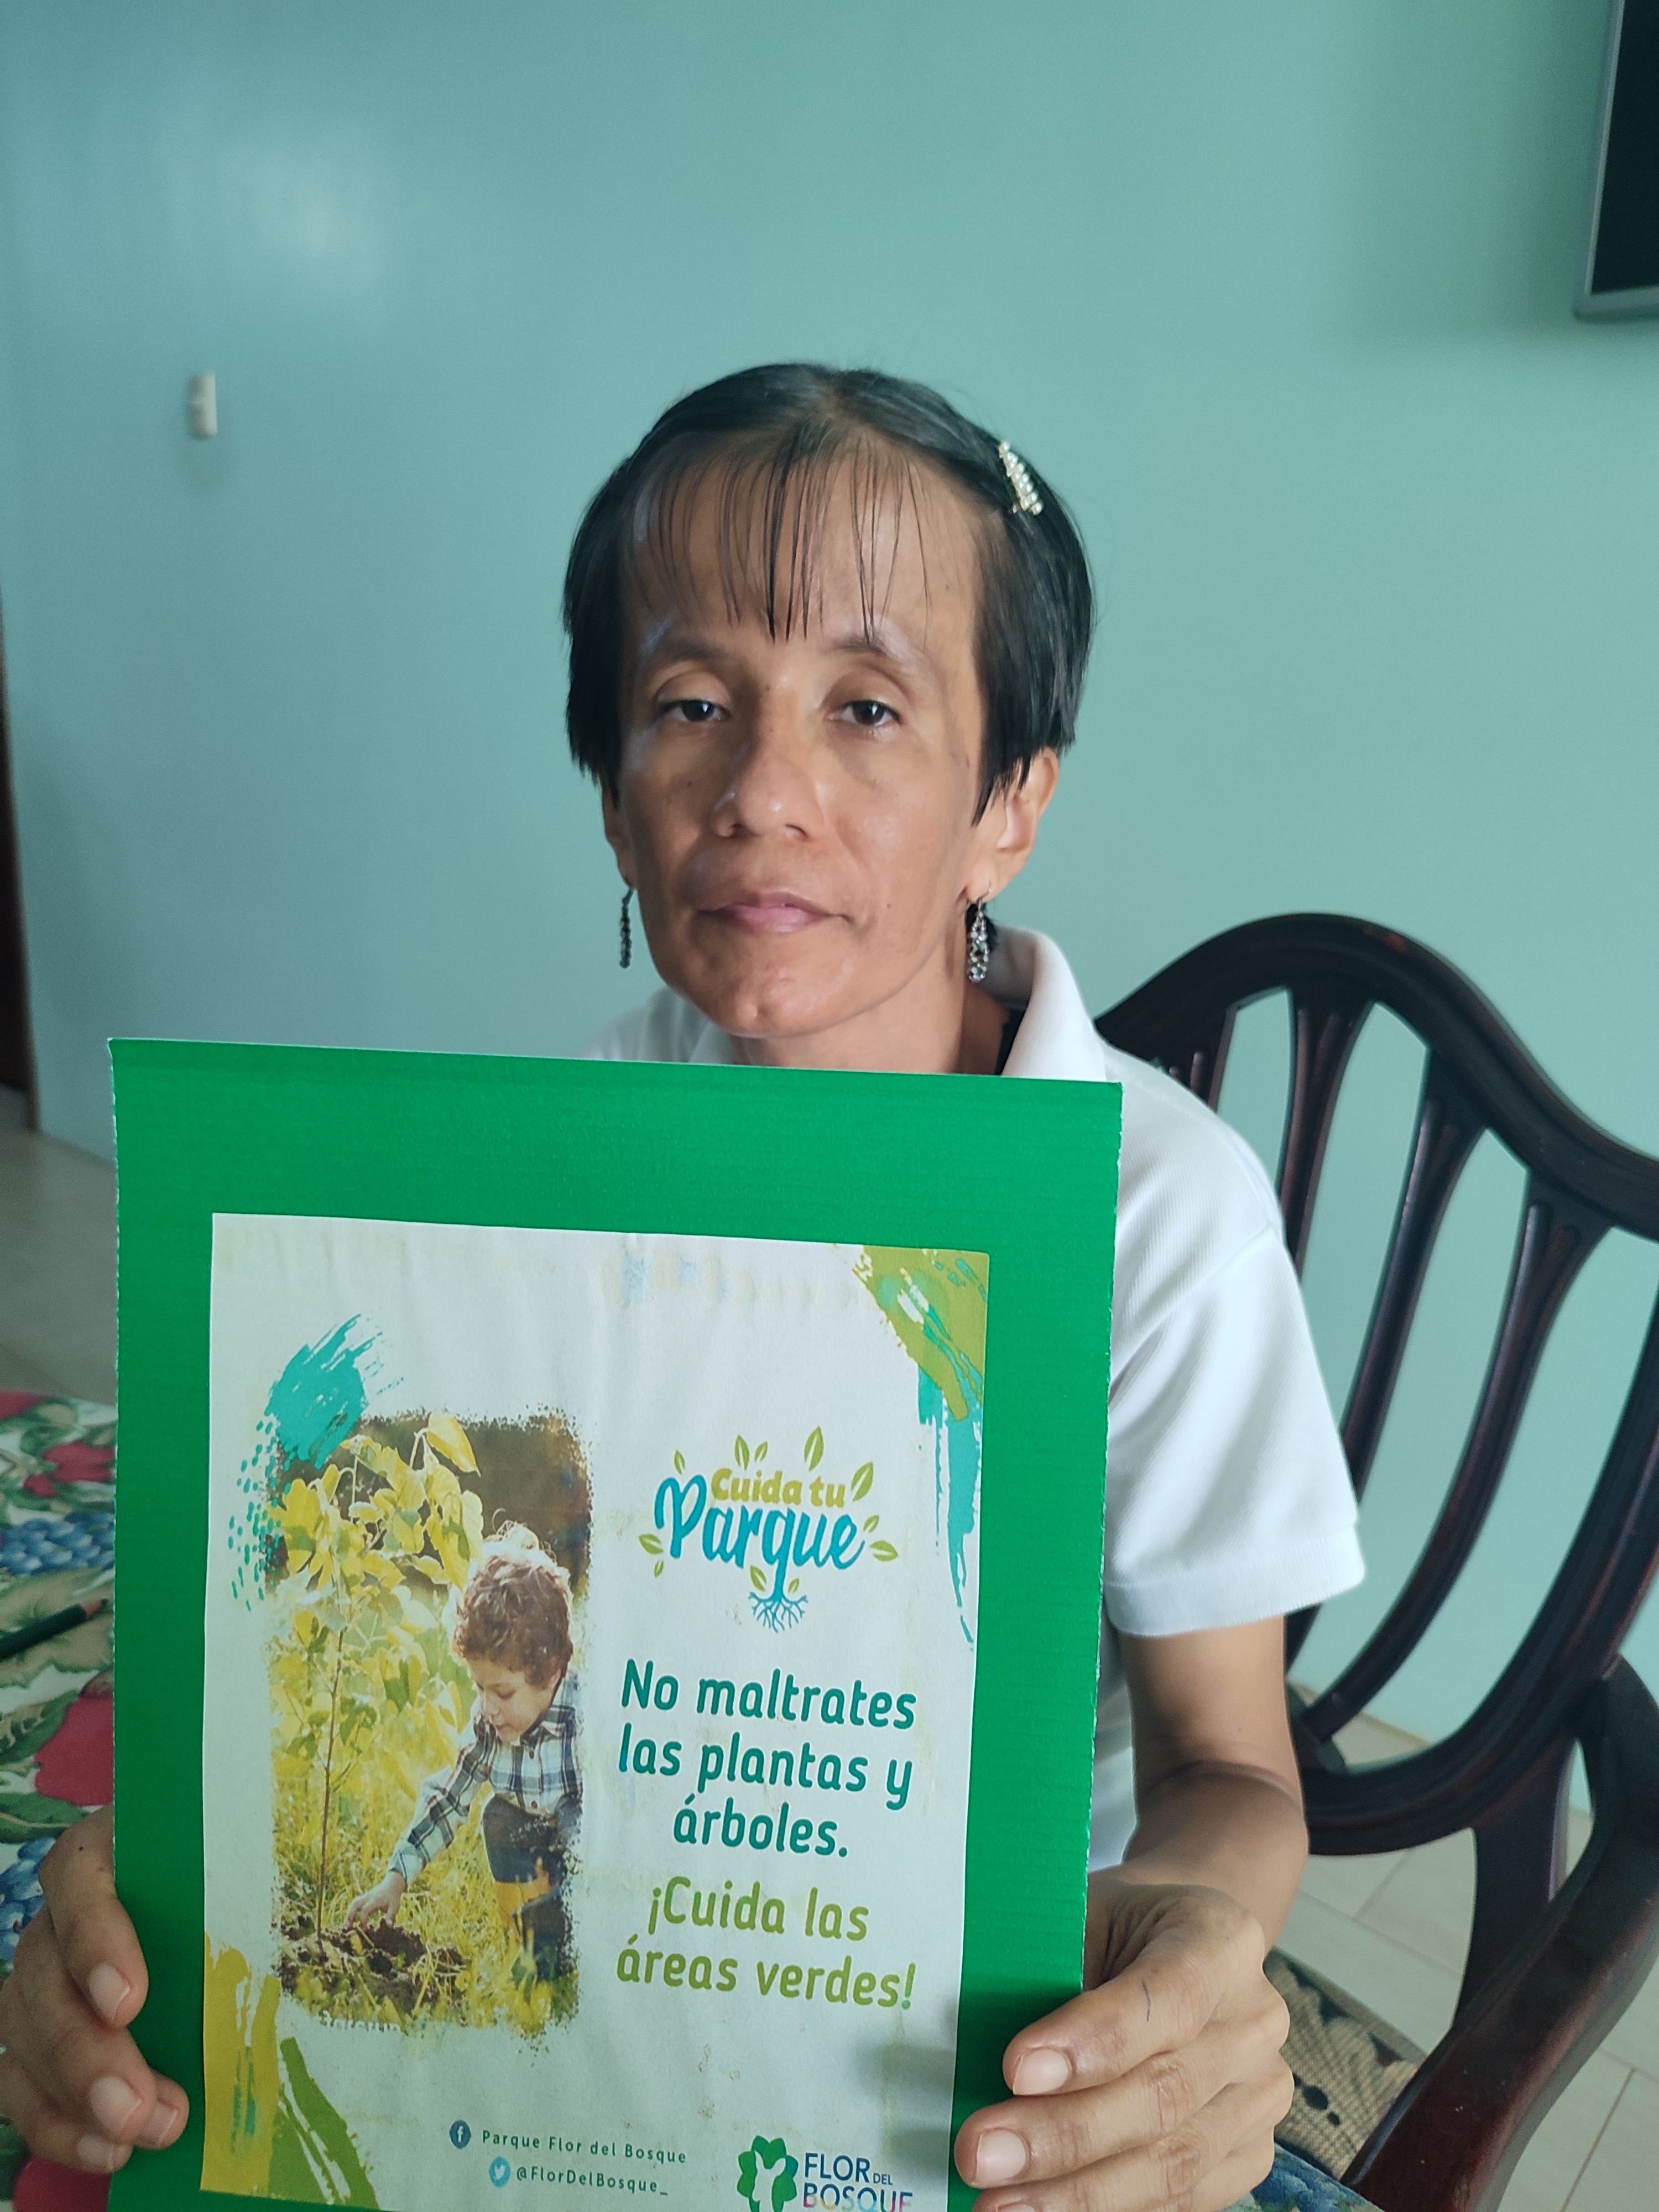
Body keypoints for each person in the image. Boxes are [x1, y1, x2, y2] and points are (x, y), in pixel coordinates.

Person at [0, 364, 1361, 2211]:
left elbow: (1234, 1770)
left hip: (961, 2052)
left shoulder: (1158, 1217)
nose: (762, 792)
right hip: (613, 1965)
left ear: (1008, 805)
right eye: (690, 704)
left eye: (868, 706)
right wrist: (176, 1874)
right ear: (613, 797)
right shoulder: (577, 1146)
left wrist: (1190, 1949)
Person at [345, 1531, 580, 1983]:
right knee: (498, 1815)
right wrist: (396, 1878)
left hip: (585, 1863)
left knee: (581, 1817)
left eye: (503, 1692)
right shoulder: (491, 1726)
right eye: (479, 1688)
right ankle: (532, 1941)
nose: (488, 1706)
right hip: (535, 1855)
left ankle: (571, 1928)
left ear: (551, 1672)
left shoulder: (586, 1722)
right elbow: (449, 1799)